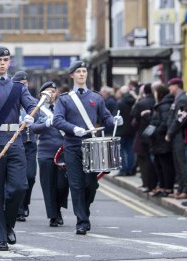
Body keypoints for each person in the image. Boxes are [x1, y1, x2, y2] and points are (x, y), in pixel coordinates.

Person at [0, 46, 37, 251]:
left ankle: (9, 223)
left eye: (6, 60)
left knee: (20, 186)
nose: (3, 63)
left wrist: (30, 116)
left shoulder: (18, 87)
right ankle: (0, 238)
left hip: (15, 140)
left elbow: (30, 104)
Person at [52, 60, 121, 235]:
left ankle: (85, 211)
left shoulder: (96, 97)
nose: (82, 74)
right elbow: (57, 120)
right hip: (72, 145)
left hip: (92, 146)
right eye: (78, 71)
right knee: (76, 184)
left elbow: (106, 118)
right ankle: (81, 221)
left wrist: (116, 121)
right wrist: (74, 128)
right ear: (72, 75)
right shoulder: (64, 99)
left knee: (91, 185)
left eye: (84, 71)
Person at [31, 81, 69, 227]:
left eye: (53, 91)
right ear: (41, 94)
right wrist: (44, 124)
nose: (51, 94)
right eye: (48, 91)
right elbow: (33, 127)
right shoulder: (37, 109)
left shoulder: (62, 108)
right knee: (48, 186)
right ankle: (53, 215)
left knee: (62, 185)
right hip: (45, 152)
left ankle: (58, 209)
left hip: (62, 151)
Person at [11, 70, 38, 222]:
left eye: (25, 84)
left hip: (30, 143)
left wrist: (33, 118)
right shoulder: (11, 100)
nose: (24, 86)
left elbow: (38, 114)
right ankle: (19, 209)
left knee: (31, 177)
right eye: (21, 84)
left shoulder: (32, 101)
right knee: (20, 178)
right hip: (16, 142)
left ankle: (25, 202)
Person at [165, 78, 187, 200]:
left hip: (179, 136)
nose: (169, 88)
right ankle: (180, 189)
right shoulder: (178, 99)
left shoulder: (182, 100)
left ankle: (185, 190)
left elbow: (178, 120)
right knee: (177, 164)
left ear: (176, 86)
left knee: (182, 164)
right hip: (176, 136)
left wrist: (169, 133)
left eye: (170, 85)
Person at [147, 84, 175, 197]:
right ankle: (162, 186)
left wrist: (156, 131)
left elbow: (164, 122)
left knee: (165, 165)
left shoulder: (164, 105)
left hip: (162, 140)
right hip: (157, 140)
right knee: (159, 165)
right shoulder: (160, 105)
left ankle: (167, 188)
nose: (154, 94)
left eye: (155, 91)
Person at [115, 86, 136, 176]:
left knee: (121, 150)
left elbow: (115, 116)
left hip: (121, 130)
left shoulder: (120, 103)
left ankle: (123, 169)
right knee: (130, 150)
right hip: (131, 129)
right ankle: (130, 169)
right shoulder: (134, 102)